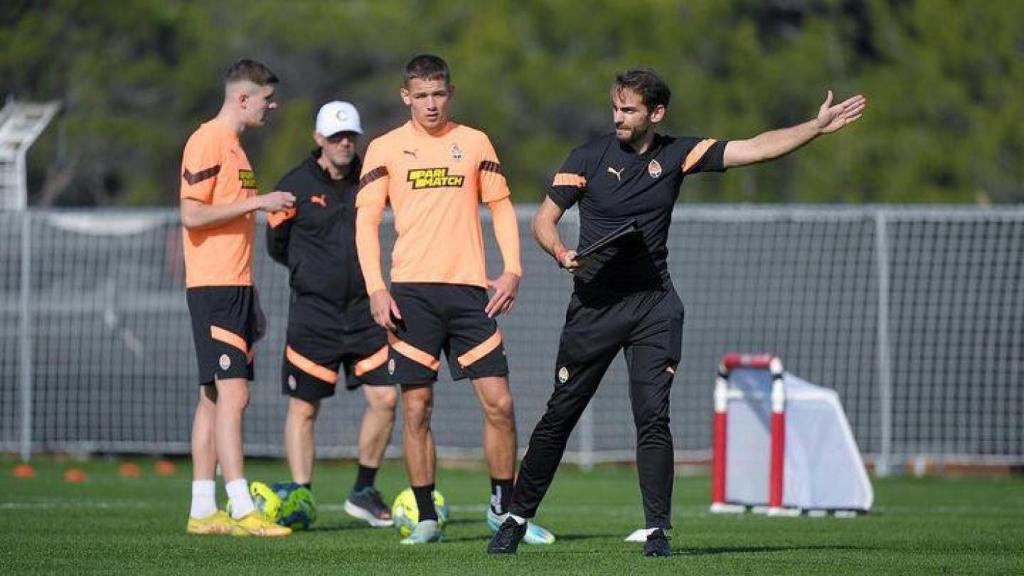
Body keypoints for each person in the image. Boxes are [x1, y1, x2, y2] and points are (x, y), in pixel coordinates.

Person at [487, 68, 867, 557]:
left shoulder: (676, 153)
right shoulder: (586, 157)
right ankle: (516, 518)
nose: (619, 117)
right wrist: (561, 253)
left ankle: (658, 532)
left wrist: (813, 128)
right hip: (594, 306)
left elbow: (753, 147)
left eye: (630, 110)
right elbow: (543, 220)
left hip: (654, 308)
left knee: (653, 417)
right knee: (560, 415)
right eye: (616, 108)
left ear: (656, 113)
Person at [354, 54, 554, 546]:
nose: (430, 104)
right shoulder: (384, 148)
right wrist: (376, 288)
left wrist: (512, 270)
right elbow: (363, 223)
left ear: (450, 92)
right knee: (417, 407)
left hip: (469, 295)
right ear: (406, 97)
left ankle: (504, 512)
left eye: (437, 94)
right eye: (420, 95)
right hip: (410, 297)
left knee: (500, 404)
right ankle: (426, 516)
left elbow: (502, 207)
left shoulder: (474, 142)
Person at [266, 100, 397, 527]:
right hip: (314, 317)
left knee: (385, 398)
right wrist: (313, 275)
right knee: (304, 409)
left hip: (366, 313)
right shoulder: (294, 185)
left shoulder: (372, 179)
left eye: (351, 136)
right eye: (337, 136)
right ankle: (301, 495)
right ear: (319, 138)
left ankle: (363, 490)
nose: (345, 143)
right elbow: (276, 245)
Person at [181, 59, 296, 537]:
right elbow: (191, 214)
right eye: (266, 99)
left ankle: (204, 510)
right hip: (214, 287)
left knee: (212, 397)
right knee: (236, 394)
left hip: (235, 286)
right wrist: (259, 202)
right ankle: (242, 505)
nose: (272, 106)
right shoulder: (208, 139)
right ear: (243, 98)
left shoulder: (236, 149)